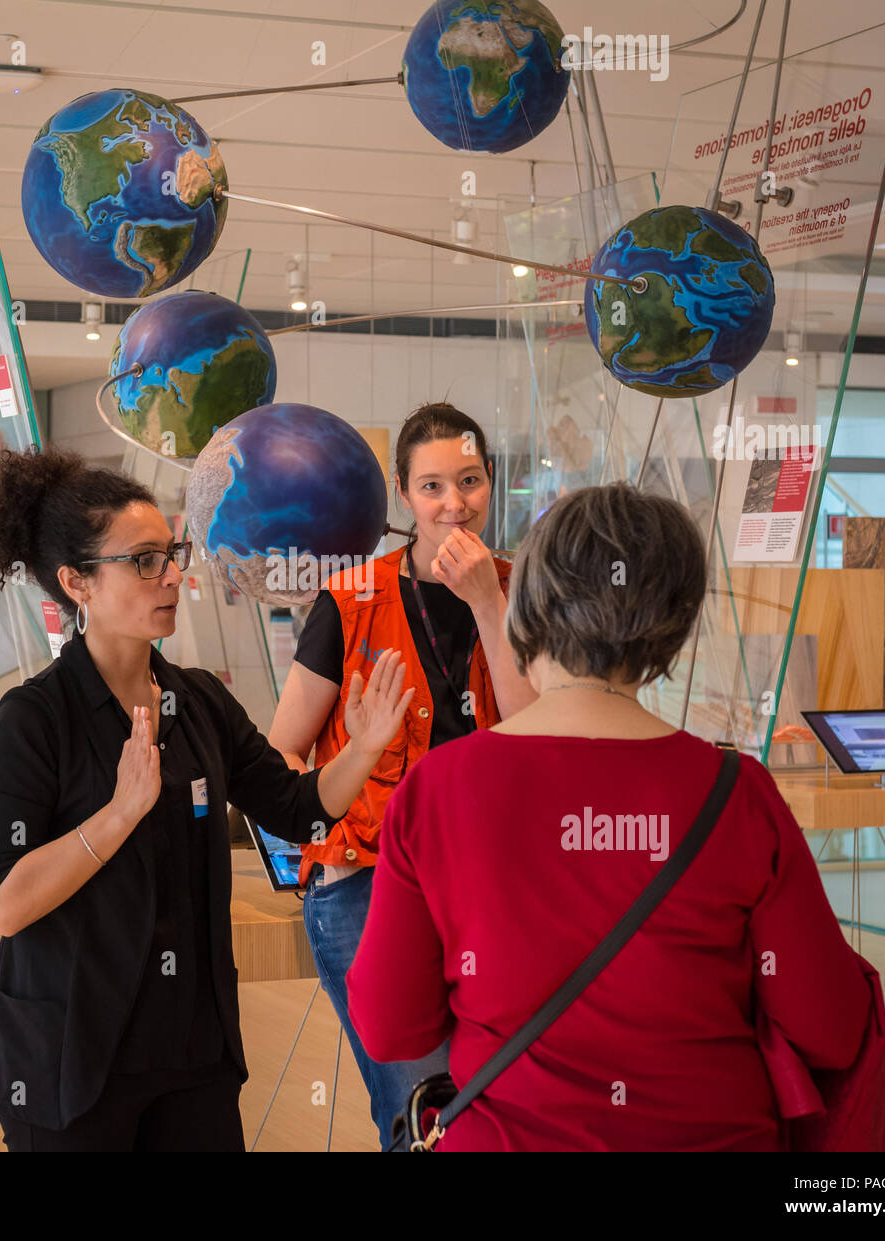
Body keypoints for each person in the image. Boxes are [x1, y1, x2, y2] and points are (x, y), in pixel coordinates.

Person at [346, 481, 875, 1151]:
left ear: (528, 605)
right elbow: (830, 1027)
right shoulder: (737, 794)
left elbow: (392, 1026)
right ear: (673, 623)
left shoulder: (435, 790)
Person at [0, 446, 415, 1152]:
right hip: (70, 1060)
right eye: (143, 561)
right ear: (77, 582)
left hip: (190, 1052)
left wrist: (361, 748)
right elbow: (5, 903)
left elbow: (299, 809)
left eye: (171, 554)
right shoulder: (34, 718)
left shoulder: (197, 699)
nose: (172, 575)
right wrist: (118, 814)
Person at [267, 402, 536, 1149]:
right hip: (367, 881)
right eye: (432, 486)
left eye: (471, 481)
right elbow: (280, 755)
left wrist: (488, 603)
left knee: (499, 1105)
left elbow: (535, 739)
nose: (455, 503)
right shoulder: (350, 601)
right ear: (404, 494)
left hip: (494, 884)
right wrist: (341, 820)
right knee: (426, 1114)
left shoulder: (523, 592)